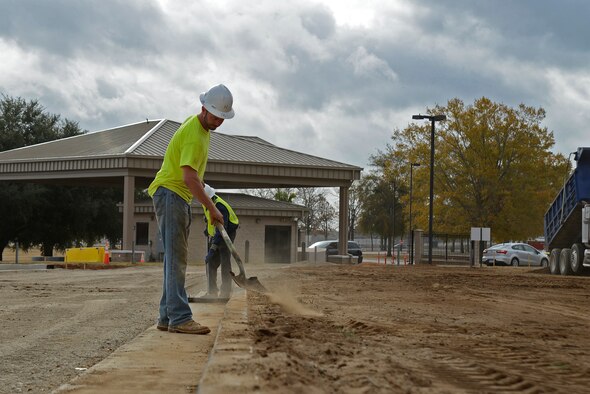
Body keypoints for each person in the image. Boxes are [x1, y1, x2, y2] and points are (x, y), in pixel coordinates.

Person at [148, 84, 235, 334]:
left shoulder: (199, 128)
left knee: (173, 260)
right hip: (172, 194)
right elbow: (188, 177)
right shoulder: (195, 135)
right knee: (177, 261)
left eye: (222, 119)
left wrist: (208, 197)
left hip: (175, 195)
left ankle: (167, 316)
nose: (218, 122)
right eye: (215, 117)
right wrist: (211, 209)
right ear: (203, 109)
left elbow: (194, 177)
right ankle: (180, 318)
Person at [202, 184, 239, 300]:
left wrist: (213, 247)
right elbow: (211, 221)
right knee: (211, 262)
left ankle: (225, 292)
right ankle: (212, 292)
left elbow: (222, 230)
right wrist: (207, 230)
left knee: (225, 260)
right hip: (217, 233)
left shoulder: (220, 206)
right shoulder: (207, 203)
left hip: (227, 232)